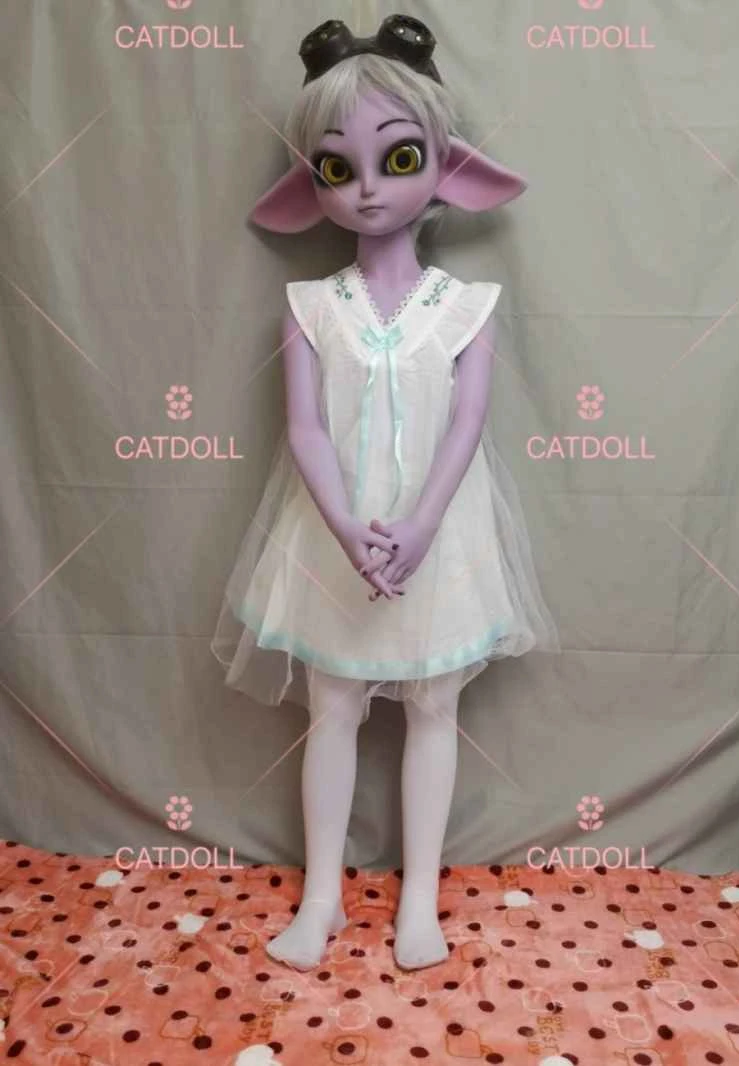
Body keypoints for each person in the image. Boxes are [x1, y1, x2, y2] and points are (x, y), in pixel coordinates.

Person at [211, 15, 560, 972]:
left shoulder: (469, 308)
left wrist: (419, 526)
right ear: (311, 186)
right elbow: (306, 431)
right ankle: (322, 898)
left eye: (397, 157)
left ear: (446, 167)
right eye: (338, 167)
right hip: (336, 538)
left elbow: (466, 426)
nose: (367, 188)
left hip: (439, 538)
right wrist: (346, 529)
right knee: (331, 710)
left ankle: (419, 902)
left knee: (435, 708)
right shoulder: (308, 306)